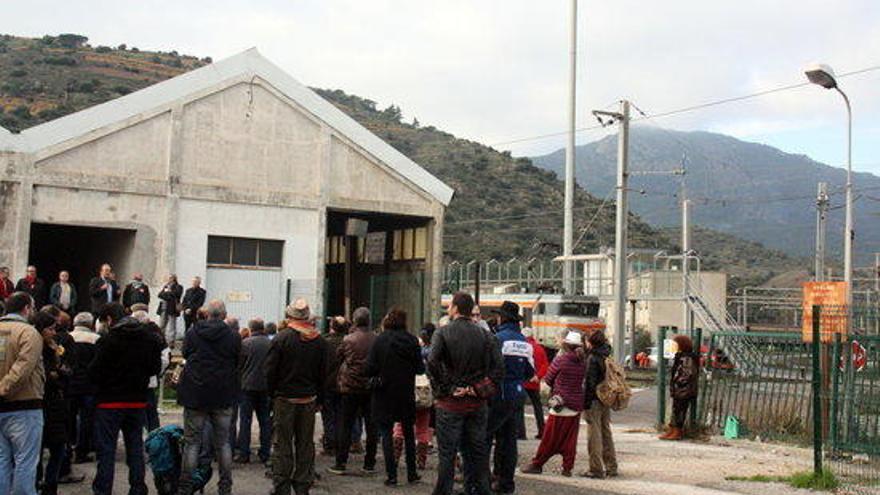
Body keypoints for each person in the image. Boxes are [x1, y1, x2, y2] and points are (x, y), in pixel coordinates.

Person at [427, 292, 503, 495]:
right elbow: (498, 370)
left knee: (447, 454)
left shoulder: (442, 333)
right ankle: (479, 490)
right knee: (477, 452)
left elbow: (432, 362)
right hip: (477, 404)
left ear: (455, 308)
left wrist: (445, 388)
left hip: (450, 403)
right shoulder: (487, 336)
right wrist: (476, 389)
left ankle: (443, 491)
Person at [88, 302, 162, 495]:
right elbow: (155, 368)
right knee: (135, 446)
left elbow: (95, 371)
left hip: (109, 401)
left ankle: (103, 489)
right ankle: (138, 487)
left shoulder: (107, 340)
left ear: (110, 320)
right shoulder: (148, 339)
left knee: (106, 450)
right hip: (137, 399)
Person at [176, 299, 241, 495]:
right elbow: (237, 359)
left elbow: (185, 353)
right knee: (223, 443)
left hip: (196, 392)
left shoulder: (194, 332)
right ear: (223, 314)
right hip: (223, 393)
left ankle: (186, 486)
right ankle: (225, 486)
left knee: (192, 443)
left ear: (207, 313)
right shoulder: (233, 336)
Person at [266, 299, 329, 495]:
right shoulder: (319, 341)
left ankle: (282, 486)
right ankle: (303, 485)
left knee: (282, 444)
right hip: (309, 400)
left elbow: (270, 372)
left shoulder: (281, 339)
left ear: (290, 316)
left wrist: (271, 395)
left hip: (284, 400)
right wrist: (320, 399)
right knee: (305, 444)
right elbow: (323, 374)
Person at [366, 307, 424, 486]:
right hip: (405, 393)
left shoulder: (380, 340)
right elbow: (420, 368)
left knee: (386, 434)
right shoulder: (412, 340)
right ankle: (412, 473)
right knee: (408, 433)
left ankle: (391, 476)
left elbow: (369, 368)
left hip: (384, 392)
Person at [521, 331, 586, 477]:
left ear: (566, 345)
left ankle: (537, 464)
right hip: (575, 406)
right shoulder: (583, 361)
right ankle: (567, 468)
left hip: (560, 405)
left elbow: (549, 379)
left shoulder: (561, 360)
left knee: (549, 438)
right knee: (570, 440)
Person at [485, 301, 534, 495]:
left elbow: (490, 367)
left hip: (499, 394)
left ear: (502, 318)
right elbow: (530, 372)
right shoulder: (525, 342)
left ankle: (484, 480)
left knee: (485, 436)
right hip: (517, 394)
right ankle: (506, 482)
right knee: (508, 441)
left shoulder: (498, 339)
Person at [0, 292, 45, 495]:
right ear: (26, 308)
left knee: (2, 462)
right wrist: (3, 389)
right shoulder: (28, 333)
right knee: (25, 463)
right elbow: (24, 367)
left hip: (3, 409)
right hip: (24, 406)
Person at [328, 306, 379, 476]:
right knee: (371, 426)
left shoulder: (348, 339)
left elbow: (338, 356)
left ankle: (341, 462)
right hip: (370, 386)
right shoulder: (376, 339)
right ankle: (369, 463)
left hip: (350, 386)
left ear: (355, 321)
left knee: (346, 424)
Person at [34, 311, 72, 495]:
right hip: (43, 403)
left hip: (57, 405)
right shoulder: (36, 348)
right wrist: (57, 374)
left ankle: (50, 484)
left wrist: (60, 374)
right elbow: (47, 376)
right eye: (50, 329)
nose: (53, 332)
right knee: (38, 450)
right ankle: (38, 481)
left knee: (58, 448)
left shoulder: (55, 347)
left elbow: (63, 372)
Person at [236, 318, 273, 465]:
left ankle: (244, 453)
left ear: (251, 329)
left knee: (245, 420)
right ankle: (265, 452)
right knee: (265, 420)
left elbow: (239, 365)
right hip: (265, 387)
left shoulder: (245, 343)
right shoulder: (271, 344)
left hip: (247, 386)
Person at [582, 330, 618, 479]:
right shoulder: (606, 355)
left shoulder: (592, 358)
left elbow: (590, 383)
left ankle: (595, 468)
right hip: (605, 398)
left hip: (595, 400)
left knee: (594, 434)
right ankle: (611, 466)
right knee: (606, 432)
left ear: (590, 342)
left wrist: (585, 403)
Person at [68, 312, 99, 464]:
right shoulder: (96, 339)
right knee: (87, 419)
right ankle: (82, 450)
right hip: (89, 384)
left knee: (69, 417)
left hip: (71, 383)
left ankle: (68, 447)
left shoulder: (69, 338)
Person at [131, 310, 169, 432]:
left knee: (145, 412)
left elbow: (164, 357)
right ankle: (153, 438)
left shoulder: (150, 335)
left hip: (140, 380)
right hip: (148, 379)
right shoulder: (156, 334)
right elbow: (165, 356)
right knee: (150, 412)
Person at [659, 334, 700, 441]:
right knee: (675, 410)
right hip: (679, 389)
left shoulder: (687, 358)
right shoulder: (681, 356)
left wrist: (678, 382)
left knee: (680, 411)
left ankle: (677, 432)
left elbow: (687, 373)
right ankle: (672, 430)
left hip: (684, 389)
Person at [320, 316, 349, 456]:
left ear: (332, 326)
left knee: (328, 415)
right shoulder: (349, 342)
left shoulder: (325, 342)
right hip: (345, 384)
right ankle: (340, 443)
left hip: (328, 384)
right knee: (341, 415)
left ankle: (330, 443)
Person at [519, 327, 548, 440]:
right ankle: (541, 430)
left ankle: (521, 433)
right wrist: (538, 376)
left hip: (523, 381)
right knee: (538, 407)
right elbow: (545, 365)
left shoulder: (521, 347)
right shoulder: (539, 348)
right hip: (534, 382)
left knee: (520, 408)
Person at [157, 274, 183, 349]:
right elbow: (160, 295)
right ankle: (161, 340)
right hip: (163, 309)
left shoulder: (178, 286)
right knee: (161, 325)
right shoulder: (166, 286)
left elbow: (176, 294)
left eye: (169, 278)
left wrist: (167, 294)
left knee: (172, 326)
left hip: (172, 309)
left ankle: (171, 342)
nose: (168, 280)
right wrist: (168, 294)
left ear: (173, 279)